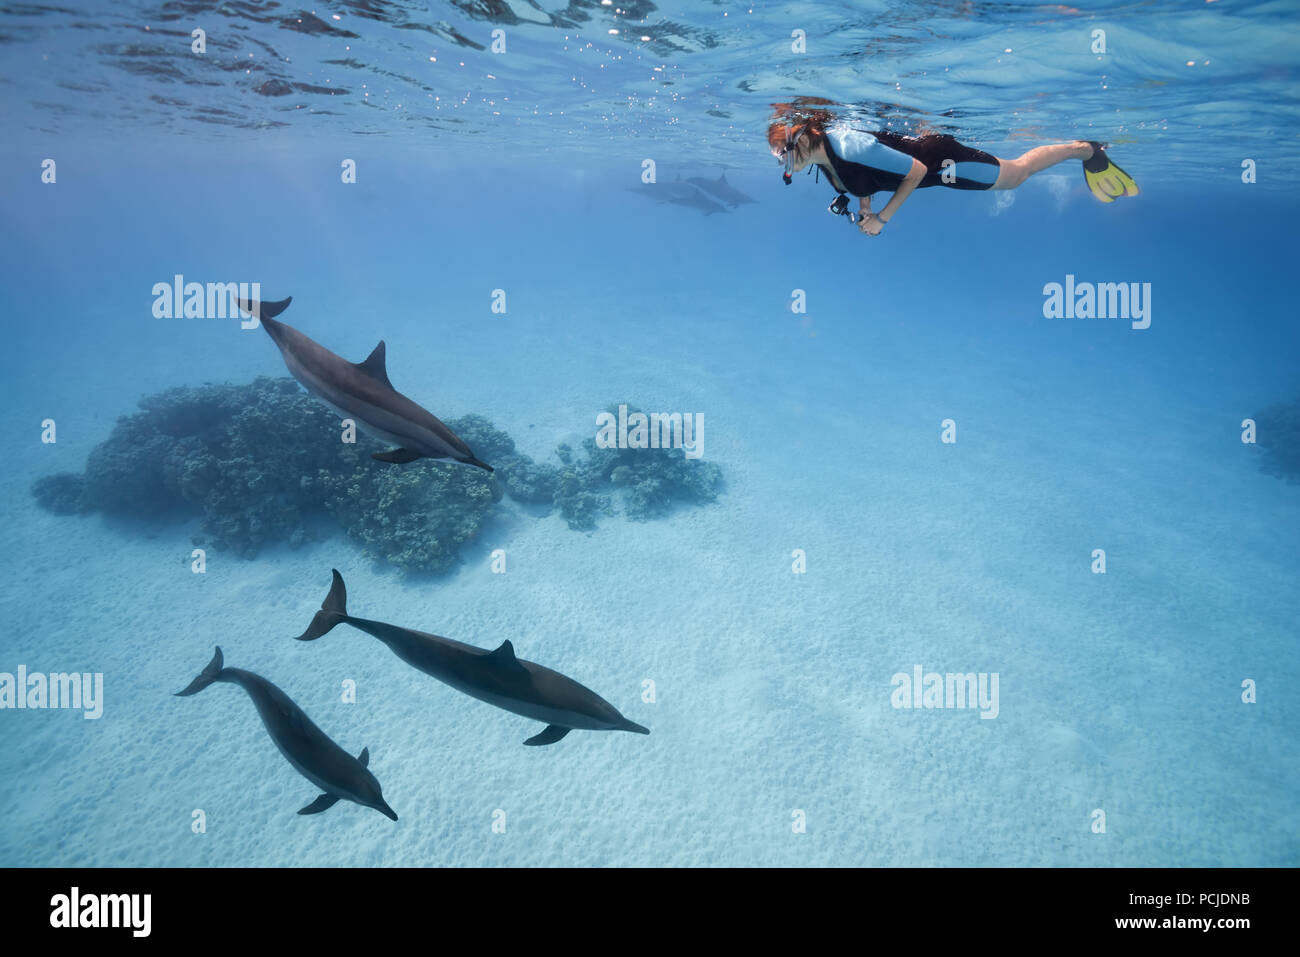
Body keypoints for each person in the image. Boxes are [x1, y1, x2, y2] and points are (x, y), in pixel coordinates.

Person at [768, 113, 1138, 236]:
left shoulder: (848, 145)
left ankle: (1086, 150)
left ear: (800, 140)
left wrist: (881, 218)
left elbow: (914, 172)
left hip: (941, 162)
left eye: (783, 157)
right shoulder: (822, 161)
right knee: (1015, 176)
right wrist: (865, 207)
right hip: (926, 164)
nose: (784, 167)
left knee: (1018, 175)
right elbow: (865, 178)